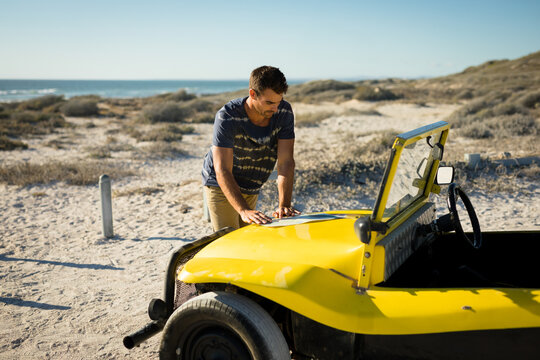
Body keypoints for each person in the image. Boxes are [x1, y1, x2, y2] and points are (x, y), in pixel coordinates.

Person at [202, 65, 300, 231]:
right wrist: (243, 210)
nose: (275, 109)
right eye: (269, 102)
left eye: (278, 102)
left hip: (252, 184)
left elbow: (286, 162)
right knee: (229, 241)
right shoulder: (227, 116)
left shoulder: (283, 111)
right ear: (253, 94)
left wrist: (284, 205)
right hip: (221, 184)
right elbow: (222, 169)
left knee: (248, 239)